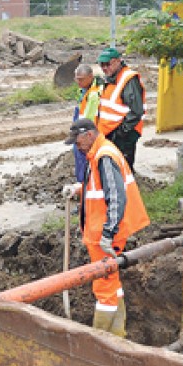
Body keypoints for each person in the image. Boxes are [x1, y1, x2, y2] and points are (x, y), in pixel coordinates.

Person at [62, 118, 150, 337]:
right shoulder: (99, 153)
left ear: (89, 135)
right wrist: (78, 190)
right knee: (112, 283)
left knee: (104, 289)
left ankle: (100, 341)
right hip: (102, 231)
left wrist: (108, 234)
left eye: (78, 141)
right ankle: (118, 335)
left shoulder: (104, 157)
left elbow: (116, 197)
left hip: (105, 234)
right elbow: (101, 188)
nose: (77, 146)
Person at [97, 47, 146, 171]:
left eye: (107, 64)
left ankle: (128, 190)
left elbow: (136, 111)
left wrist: (121, 132)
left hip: (124, 134)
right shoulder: (111, 79)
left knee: (123, 169)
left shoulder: (128, 79)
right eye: (102, 65)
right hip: (111, 132)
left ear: (118, 61)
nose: (104, 68)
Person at [72, 63, 102, 182]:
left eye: (81, 79)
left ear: (90, 77)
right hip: (80, 128)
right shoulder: (85, 90)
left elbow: (89, 118)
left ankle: (84, 184)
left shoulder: (94, 94)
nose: (78, 82)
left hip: (85, 131)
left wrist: (82, 135)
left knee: (83, 159)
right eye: (77, 79)